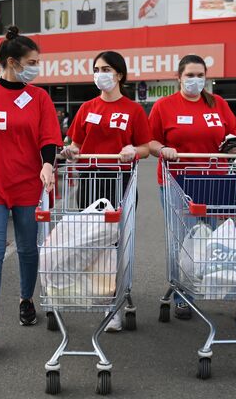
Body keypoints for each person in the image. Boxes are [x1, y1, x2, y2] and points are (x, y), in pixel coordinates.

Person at [0, 26, 63, 351]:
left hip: (28, 186)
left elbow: (49, 138)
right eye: (31, 61)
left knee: (28, 248)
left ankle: (26, 299)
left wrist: (47, 164)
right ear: (11, 61)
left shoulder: (39, 97)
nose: (36, 67)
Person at [61, 50, 150, 331]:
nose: (101, 74)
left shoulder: (133, 110)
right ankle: (101, 295)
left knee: (116, 242)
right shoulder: (87, 108)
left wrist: (132, 150)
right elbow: (76, 143)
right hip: (90, 181)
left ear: (120, 74)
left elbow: (146, 148)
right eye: (97, 69)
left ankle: (114, 304)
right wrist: (71, 151)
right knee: (93, 240)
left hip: (120, 180)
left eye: (107, 69)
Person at [148, 54, 236, 320]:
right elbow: (150, 141)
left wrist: (234, 147)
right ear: (178, 77)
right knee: (185, 241)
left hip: (215, 182)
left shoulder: (218, 104)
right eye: (190, 75)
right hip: (178, 183)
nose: (195, 80)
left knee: (215, 240)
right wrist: (164, 148)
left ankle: (216, 286)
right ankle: (183, 295)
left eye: (200, 75)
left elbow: (233, 136)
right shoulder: (164, 106)